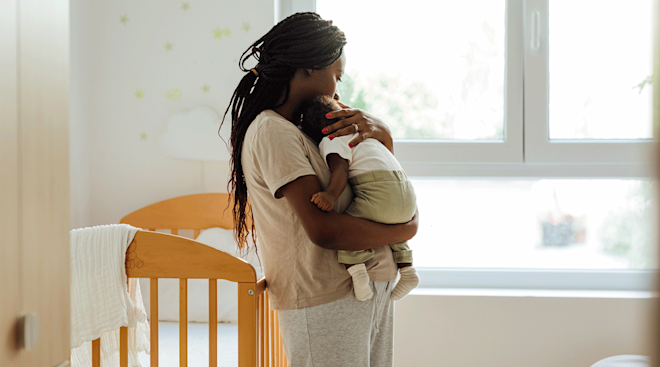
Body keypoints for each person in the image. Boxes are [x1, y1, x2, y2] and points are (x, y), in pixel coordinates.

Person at [221, 12, 418, 367]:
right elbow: (323, 230)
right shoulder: (272, 131)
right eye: (335, 75)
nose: (337, 89)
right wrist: (407, 230)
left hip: (362, 289)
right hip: (325, 295)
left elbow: (373, 192)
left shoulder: (302, 134)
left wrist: (383, 137)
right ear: (310, 67)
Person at [298, 95, 420, 302]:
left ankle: (358, 273)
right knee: (394, 227)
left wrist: (330, 195)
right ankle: (408, 271)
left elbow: (340, 170)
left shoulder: (332, 140)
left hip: (380, 192)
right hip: (408, 193)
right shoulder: (366, 134)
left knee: (347, 232)